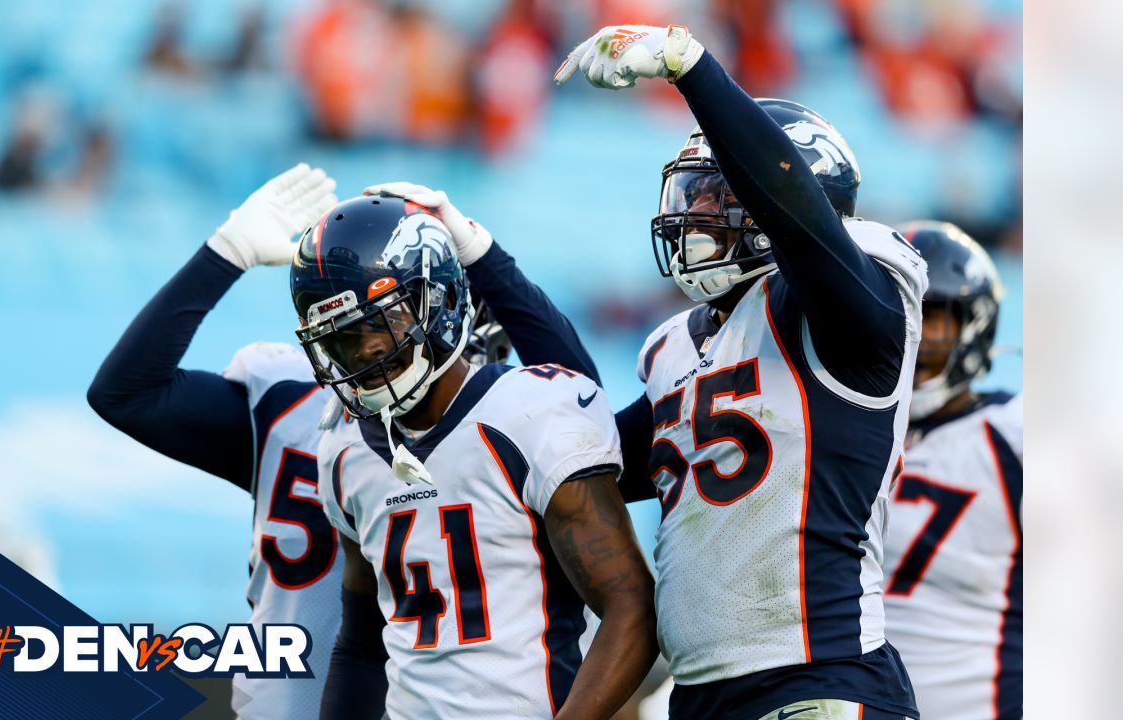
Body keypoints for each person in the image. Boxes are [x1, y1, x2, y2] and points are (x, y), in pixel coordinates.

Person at [86, 166, 605, 719]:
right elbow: (125, 394)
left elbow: (580, 407)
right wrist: (227, 250)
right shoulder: (294, 403)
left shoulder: (502, 421)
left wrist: (483, 254)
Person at [555, 24, 928, 720]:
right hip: (700, 696)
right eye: (692, 193)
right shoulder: (679, 345)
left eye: (717, 193)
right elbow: (578, 461)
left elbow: (800, 223)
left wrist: (693, 70)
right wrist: (492, 276)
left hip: (822, 677)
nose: (695, 211)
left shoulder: (856, 305)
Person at [295, 192, 659, 720]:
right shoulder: (344, 451)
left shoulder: (528, 411)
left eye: (383, 321)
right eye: (344, 337)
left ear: (437, 300)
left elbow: (631, 605)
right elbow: (362, 645)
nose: (367, 349)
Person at [881, 221, 1021, 719]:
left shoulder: (1013, 431)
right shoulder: (833, 432)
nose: (913, 332)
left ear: (974, 324)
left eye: (932, 314)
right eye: (895, 312)